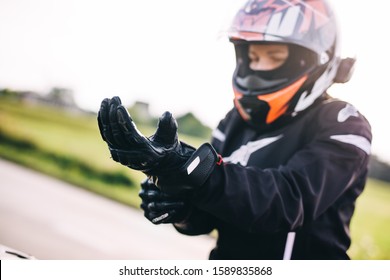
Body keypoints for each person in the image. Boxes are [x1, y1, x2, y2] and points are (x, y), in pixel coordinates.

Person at [97, 0, 372, 260]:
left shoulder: (344, 123)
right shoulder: (235, 121)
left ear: (313, 59)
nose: (256, 68)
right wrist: (178, 199)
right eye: (251, 57)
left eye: (274, 56)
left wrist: (194, 171)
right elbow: (213, 213)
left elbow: (288, 202)